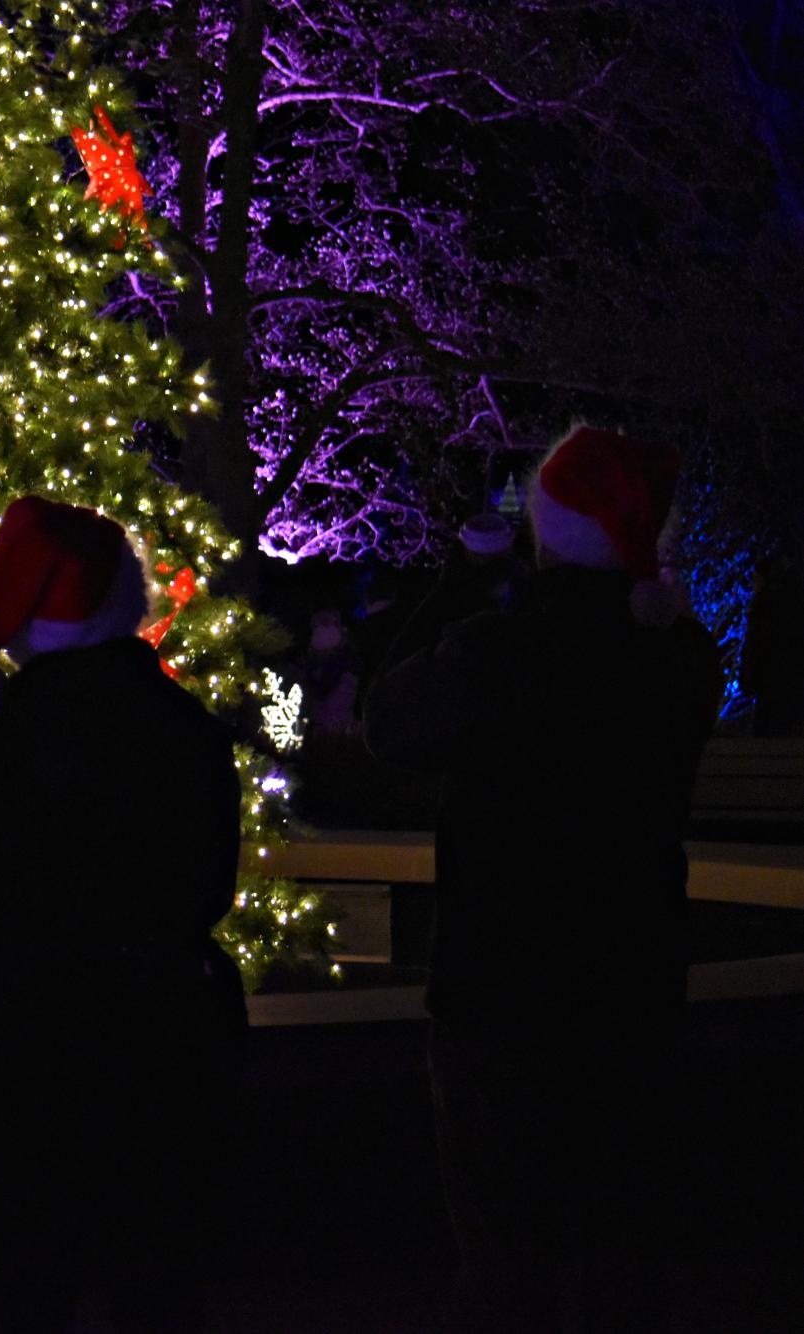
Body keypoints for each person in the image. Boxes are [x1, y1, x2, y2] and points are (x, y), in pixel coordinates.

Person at [364, 426, 722, 1332]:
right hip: (632, 988)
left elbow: (387, 720)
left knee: (504, 1262)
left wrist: (457, 585)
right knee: (618, 1252)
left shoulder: (498, 654)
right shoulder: (679, 662)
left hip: (500, 997)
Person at [0, 495, 246, 1333]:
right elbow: (210, 891)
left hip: (27, 1055)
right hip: (167, 1047)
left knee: (28, 1289)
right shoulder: (188, 734)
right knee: (159, 1292)